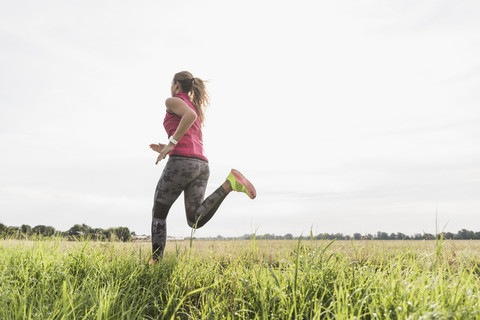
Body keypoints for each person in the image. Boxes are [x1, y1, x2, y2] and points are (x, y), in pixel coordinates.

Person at [149, 71, 256, 261]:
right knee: (194, 219)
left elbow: (187, 117)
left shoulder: (173, 101)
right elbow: (190, 133)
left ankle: (155, 263)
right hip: (200, 165)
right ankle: (229, 184)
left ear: (176, 85)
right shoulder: (194, 106)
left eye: (171, 84)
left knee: (159, 213)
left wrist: (172, 144)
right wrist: (166, 147)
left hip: (182, 163)